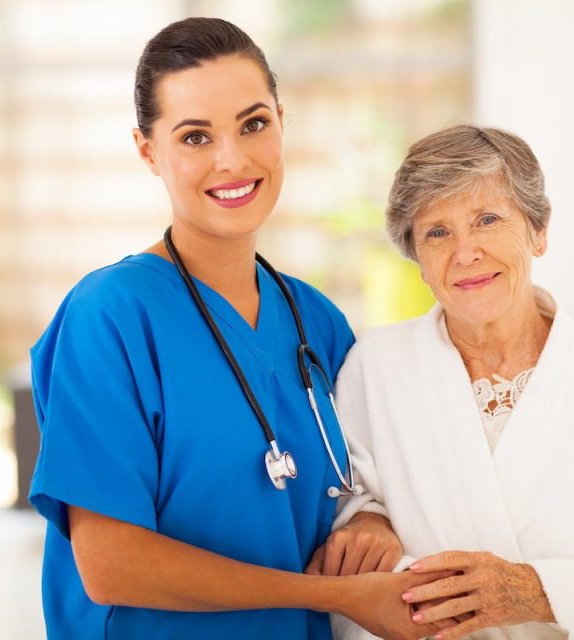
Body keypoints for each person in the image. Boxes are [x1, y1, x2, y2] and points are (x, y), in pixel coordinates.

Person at [27, 17, 447, 640]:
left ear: (281, 121)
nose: (233, 160)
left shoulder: (317, 322)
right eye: (195, 137)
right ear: (148, 151)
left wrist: (370, 523)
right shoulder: (110, 316)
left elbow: (363, 483)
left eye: (253, 124)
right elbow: (112, 565)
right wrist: (337, 594)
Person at [320, 125, 574, 640]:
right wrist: (367, 522)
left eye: (486, 220)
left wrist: (536, 591)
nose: (465, 253)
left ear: (539, 231)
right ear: (416, 258)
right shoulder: (374, 369)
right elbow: (344, 530)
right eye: (437, 233)